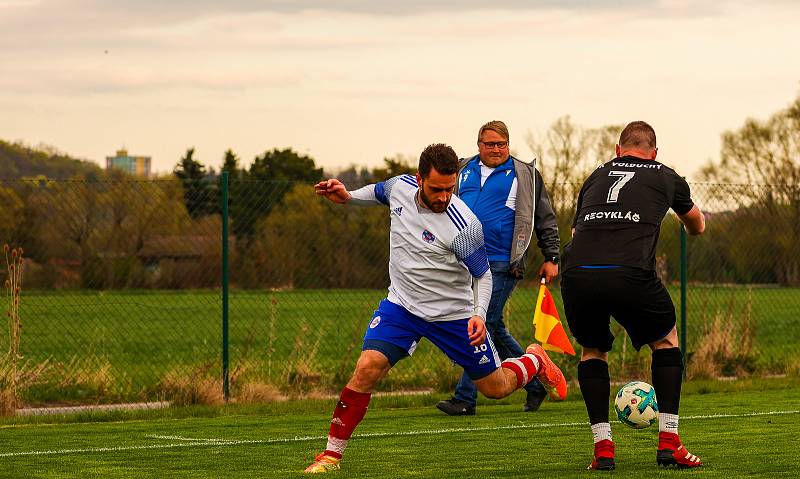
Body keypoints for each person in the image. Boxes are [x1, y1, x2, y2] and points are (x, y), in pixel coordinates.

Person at [304, 143, 567, 474]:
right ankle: (330, 456)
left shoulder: (463, 226)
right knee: (367, 367)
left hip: (453, 315)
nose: (444, 197)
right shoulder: (401, 187)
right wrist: (348, 196)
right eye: (436, 189)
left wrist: (478, 315)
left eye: (449, 188)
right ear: (419, 179)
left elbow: (483, 276)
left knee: (496, 388)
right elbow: (380, 191)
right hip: (402, 307)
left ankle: (533, 359)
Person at [560, 121, 706, 470]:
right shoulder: (666, 175)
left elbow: (577, 230)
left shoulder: (595, 176)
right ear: (654, 153)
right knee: (667, 341)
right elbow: (697, 224)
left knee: (593, 350)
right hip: (628, 271)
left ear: (617, 150)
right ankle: (669, 444)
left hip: (577, 271)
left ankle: (603, 449)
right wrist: (686, 222)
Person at [436, 120, 561, 416]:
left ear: (508, 145)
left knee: (483, 325)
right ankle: (535, 380)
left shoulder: (525, 175)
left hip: (504, 263)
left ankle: (465, 398)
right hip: (466, 260)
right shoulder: (462, 169)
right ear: (478, 144)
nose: (495, 149)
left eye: (501, 144)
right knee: (495, 327)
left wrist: (552, 256)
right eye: (489, 144)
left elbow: (545, 218)